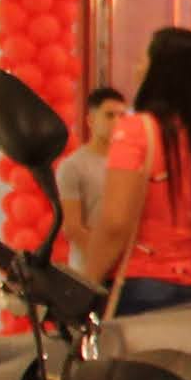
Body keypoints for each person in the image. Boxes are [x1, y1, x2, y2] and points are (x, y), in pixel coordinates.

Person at [79, 27, 191, 311]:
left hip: (144, 286)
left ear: (161, 72)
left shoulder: (137, 130)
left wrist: (85, 283)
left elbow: (115, 222)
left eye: (144, 60)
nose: (137, 68)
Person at [46, 86, 128, 259]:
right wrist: (104, 259)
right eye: (109, 115)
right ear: (91, 120)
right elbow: (72, 228)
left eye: (122, 116)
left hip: (129, 266)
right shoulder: (73, 166)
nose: (117, 122)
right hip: (88, 266)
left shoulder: (131, 163)